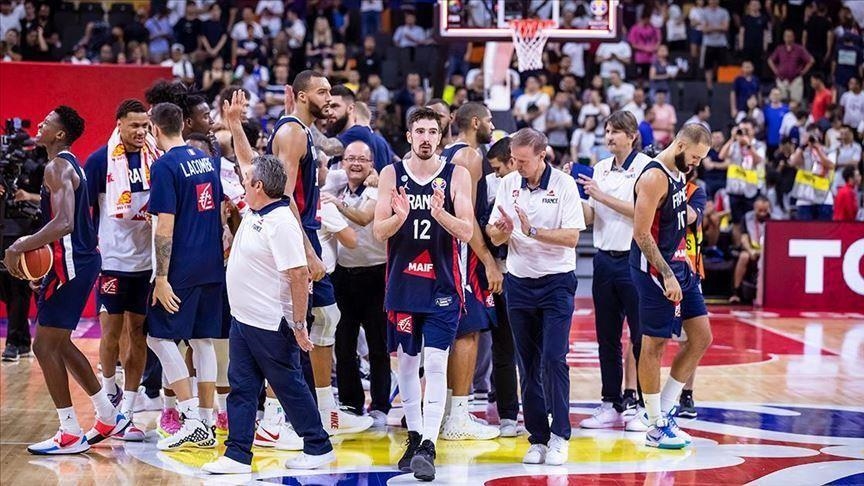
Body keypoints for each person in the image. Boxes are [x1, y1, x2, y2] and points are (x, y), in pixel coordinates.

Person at [201, 116, 335, 473]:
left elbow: (298, 274)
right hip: (245, 321)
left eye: (248, 181)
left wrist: (298, 324)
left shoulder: (281, 224)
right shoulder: (258, 208)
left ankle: (319, 446)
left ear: (258, 186)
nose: (243, 182)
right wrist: (234, 122)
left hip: (272, 324)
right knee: (242, 387)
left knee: (288, 385)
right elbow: (248, 160)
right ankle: (237, 455)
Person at [3, 106, 130, 454]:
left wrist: (19, 245)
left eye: (47, 122)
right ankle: (107, 414)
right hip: (72, 263)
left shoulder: (57, 166)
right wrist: (42, 269)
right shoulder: (69, 164)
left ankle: (70, 431)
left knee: (44, 345)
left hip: (72, 265)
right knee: (57, 342)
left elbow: (63, 223)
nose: (40, 124)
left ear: (60, 134)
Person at [264, 70, 372, 437]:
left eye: (330, 92)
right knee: (288, 326)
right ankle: (275, 419)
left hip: (303, 229)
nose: (329, 98)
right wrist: (307, 250)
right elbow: (284, 196)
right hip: (292, 234)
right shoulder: (293, 131)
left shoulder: (304, 131)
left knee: (327, 317)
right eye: (322, 92)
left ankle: (326, 411)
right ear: (301, 96)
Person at [373, 107, 474, 481]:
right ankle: (414, 437)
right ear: (410, 135)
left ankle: (429, 444)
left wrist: (440, 213)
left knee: (435, 364)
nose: (427, 137)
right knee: (407, 365)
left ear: (441, 136)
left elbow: (465, 231)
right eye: (421, 131)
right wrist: (399, 218)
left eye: (433, 131)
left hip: (443, 285)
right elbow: (377, 233)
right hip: (402, 284)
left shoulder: (456, 174)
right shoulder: (391, 174)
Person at [487, 128, 586, 465]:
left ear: (543, 155)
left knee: (554, 358)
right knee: (526, 365)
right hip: (519, 282)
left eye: (523, 161)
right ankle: (537, 438)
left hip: (557, 282)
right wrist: (499, 233)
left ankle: (560, 435)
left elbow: (572, 237)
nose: (516, 165)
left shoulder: (564, 186)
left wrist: (531, 231)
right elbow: (493, 231)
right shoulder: (507, 183)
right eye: (514, 159)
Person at [630, 123, 713, 449]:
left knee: (702, 336)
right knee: (655, 345)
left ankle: (666, 408)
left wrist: (681, 270)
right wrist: (665, 274)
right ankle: (654, 423)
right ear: (679, 145)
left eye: (701, 159)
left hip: (681, 266)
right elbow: (641, 233)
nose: (696, 164)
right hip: (654, 270)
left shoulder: (681, 174)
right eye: (693, 156)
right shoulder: (654, 176)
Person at [146, 102, 222, 451]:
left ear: (155, 128)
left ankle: (191, 418)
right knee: (202, 341)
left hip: (183, 267)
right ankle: (206, 422)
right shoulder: (206, 159)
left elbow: (165, 226)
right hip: (211, 264)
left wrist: (161, 277)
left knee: (158, 339)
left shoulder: (164, 166)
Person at [83, 99, 158, 442]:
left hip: (146, 261)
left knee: (138, 332)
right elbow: (85, 211)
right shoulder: (100, 160)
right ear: (119, 124)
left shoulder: (155, 159)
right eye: (134, 126)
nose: (141, 131)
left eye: (145, 125)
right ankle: (109, 393)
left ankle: (129, 407)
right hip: (112, 260)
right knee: (110, 333)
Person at [575, 111, 651, 431]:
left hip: (634, 259)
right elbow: (591, 217)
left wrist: (600, 194)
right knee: (606, 336)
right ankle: (610, 402)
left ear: (631, 136)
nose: (609, 137)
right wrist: (573, 193)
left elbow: (641, 212)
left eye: (615, 132)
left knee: (640, 336)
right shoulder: (600, 168)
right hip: (604, 259)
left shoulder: (647, 169)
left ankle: (646, 406)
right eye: (607, 131)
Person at [438, 102, 503, 441]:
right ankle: (459, 417)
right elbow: (467, 221)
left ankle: (449, 410)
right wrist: (489, 260)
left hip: (445, 252)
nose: (492, 126)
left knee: (456, 331)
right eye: (490, 120)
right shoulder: (470, 157)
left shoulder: (447, 154)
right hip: (462, 253)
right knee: (469, 331)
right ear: (475, 122)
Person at [324, 141, 391, 427]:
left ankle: (380, 404)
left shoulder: (376, 189)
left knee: (378, 345)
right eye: (350, 158)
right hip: (343, 274)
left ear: (371, 163)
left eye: (362, 160)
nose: (355, 164)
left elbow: (364, 218)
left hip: (376, 274)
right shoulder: (337, 185)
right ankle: (351, 402)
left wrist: (336, 204)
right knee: (344, 343)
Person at [483, 137, 521, 437]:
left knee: (541, 350)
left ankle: (543, 410)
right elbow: (487, 231)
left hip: (540, 276)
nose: (496, 175)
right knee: (503, 346)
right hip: (503, 272)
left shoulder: (553, 184)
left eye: (499, 169)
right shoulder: (491, 186)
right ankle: (508, 413)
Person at [675, 170, 708, 417]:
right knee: (644, 336)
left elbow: (689, 217)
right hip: (657, 269)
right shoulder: (649, 184)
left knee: (693, 338)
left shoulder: (695, 192)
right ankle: (634, 393)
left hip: (688, 271)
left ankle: (687, 393)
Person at [730, 196, 770, 304]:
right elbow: (744, 237)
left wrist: (764, 252)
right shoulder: (747, 218)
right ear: (754, 208)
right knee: (744, 257)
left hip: (768, 251)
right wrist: (750, 250)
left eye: (765, 211)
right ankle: (736, 292)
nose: (762, 213)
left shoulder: (773, 219)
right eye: (760, 211)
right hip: (751, 250)